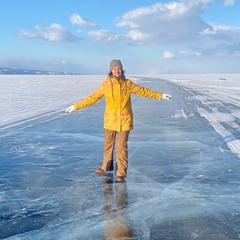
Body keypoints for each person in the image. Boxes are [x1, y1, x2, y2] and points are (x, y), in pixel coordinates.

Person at [65, 59, 171, 182]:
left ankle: (121, 173)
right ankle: (106, 167)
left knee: (121, 148)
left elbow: (143, 91)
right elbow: (92, 98)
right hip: (110, 120)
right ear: (111, 70)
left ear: (122, 69)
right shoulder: (106, 85)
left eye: (118, 68)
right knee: (108, 146)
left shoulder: (128, 84)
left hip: (124, 120)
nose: (117, 70)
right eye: (114, 69)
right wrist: (76, 106)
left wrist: (160, 95)